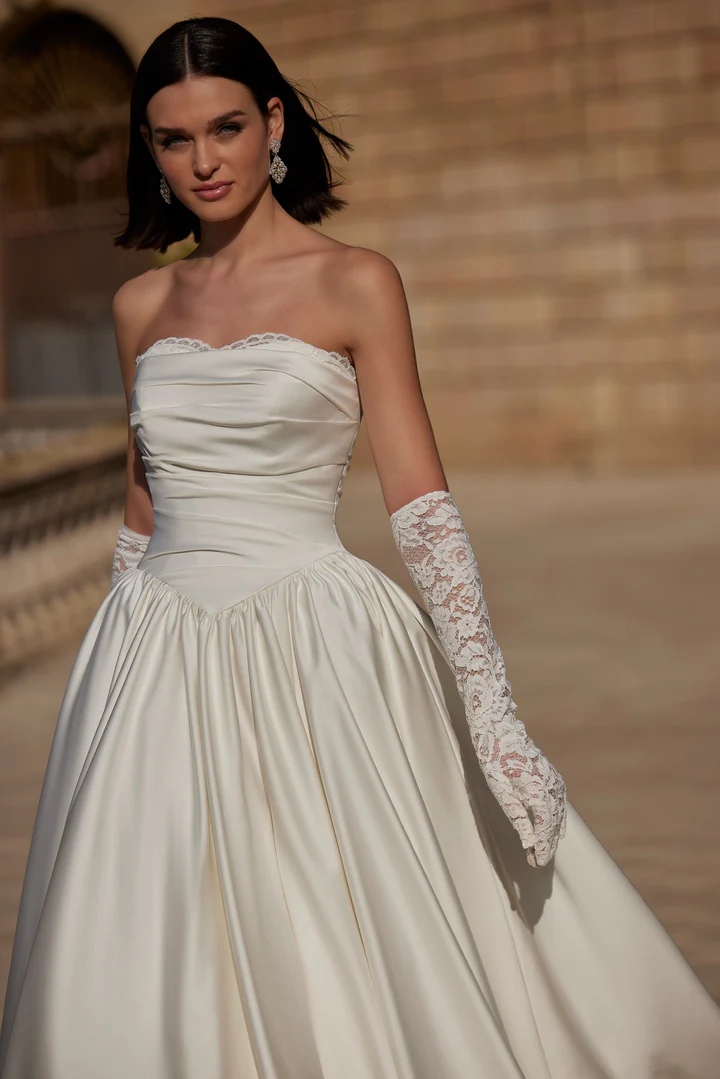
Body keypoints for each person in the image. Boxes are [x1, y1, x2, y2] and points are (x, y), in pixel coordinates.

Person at [0, 15, 718, 1078]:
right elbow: (142, 499)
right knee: (149, 931)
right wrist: (108, 670)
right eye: (171, 138)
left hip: (317, 639)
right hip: (151, 651)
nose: (203, 160)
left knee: (344, 908)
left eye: (228, 126)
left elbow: (421, 504)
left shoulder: (357, 282)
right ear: (145, 150)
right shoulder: (139, 303)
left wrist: (496, 715)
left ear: (274, 121)